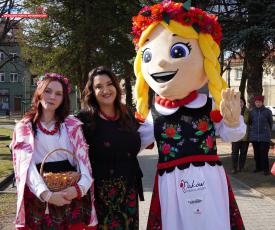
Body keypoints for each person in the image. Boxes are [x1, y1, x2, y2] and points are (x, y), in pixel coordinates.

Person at [132, 1, 246, 229]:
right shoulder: (154, 113)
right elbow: (133, 143)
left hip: (209, 180)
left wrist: (234, 121)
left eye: (178, 51)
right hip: (170, 184)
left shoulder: (210, 104)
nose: (162, 62)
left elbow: (233, 135)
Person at [11, 73, 97, 230]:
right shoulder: (24, 127)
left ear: (64, 98)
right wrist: (47, 195)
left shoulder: (72, 125)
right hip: (39, 194)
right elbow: (25, 168)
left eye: (59, 93)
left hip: (70, 193)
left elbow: (84, 163)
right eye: (48, 91)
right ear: (39, 92)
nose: (52, 97)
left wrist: (78, 189)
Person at [77, 66, 143, 230]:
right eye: (99, 86)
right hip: (100, 193)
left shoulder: (128, 115)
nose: (105, 90)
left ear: (116, 86)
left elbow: (142, 140)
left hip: (129, 188)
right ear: (92, 91)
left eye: (109, 84)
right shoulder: (84, 120)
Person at [249, 95, 273, 175]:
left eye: (259, 102)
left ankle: (265, 169)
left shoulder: (267, 111)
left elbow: (270, 123)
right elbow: (250, 122)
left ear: (262, 102)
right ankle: (258, 167)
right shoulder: (252, 112)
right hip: (255, 136)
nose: (258, 103)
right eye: (256, 102)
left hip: (265, 136)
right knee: (256, 153)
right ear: (254, 103)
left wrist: (267, 131)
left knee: (264, 153)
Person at [231, 97, 250, 173]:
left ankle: (241, 167)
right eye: (238, 102)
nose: (240, 103)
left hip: (245, 136)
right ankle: (234, 168)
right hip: (235, 136)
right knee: (234, 153)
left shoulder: (247, 111)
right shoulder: (233, 111)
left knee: (243, 153)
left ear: (244, 102)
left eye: (241, 102)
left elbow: (247, 121)